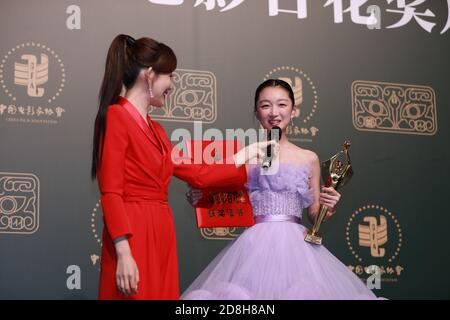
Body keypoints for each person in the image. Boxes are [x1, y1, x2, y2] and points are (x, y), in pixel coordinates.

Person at [91, 34, 272, 299]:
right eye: (170, 76)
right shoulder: (116, 116)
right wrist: (123, 252)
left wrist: (243, 155)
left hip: (161, 230)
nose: (173, 84)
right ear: (150, 75)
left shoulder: (157, 130)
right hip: (133, 233)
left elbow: (198, 173)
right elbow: (111, 193)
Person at [181, 79, 380, 300]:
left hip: (298, 248)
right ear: (256, 112)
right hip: (254, 248)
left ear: (294, 111)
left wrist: (327, 207)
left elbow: (314, 215)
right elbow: (218, 188)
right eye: (265, 105)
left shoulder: (309, 158)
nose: (274, 112)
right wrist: (201, 197)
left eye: (282, 105)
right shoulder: (246, 156)